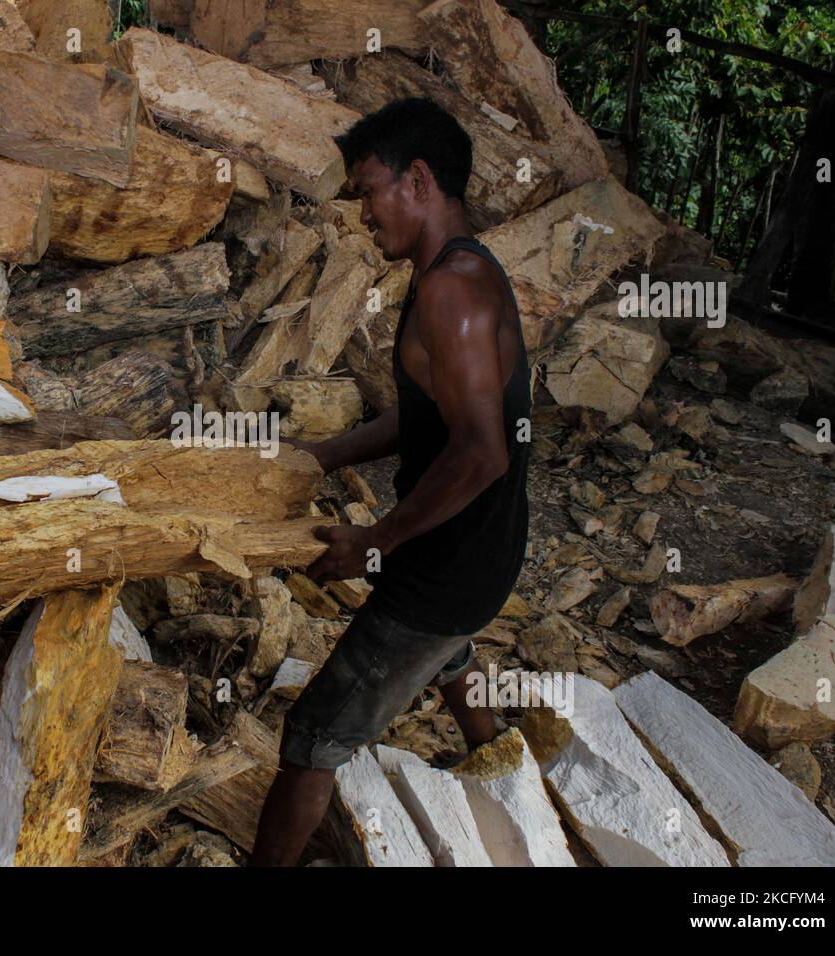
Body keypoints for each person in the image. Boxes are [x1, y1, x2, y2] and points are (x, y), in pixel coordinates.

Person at [250, 97, 532, 866]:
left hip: (447, 568)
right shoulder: (452, 271)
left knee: (313, 737)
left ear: (418, 180)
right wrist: (324, 455)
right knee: (449, 657)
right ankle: (511, 780)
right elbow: (431, 416)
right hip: (476, 553)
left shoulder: (452, 292)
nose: (362, 212)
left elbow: (481, 454)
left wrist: (376, 541)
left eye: (370, 190)